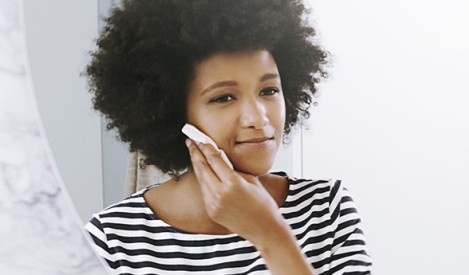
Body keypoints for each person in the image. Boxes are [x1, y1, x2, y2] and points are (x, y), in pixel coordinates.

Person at [84, 0, 372, 274]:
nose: (258, 118)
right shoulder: (111, 239)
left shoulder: (326, 209)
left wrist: (270, 236)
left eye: (269, 90)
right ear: (173, 113)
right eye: (224, 97)